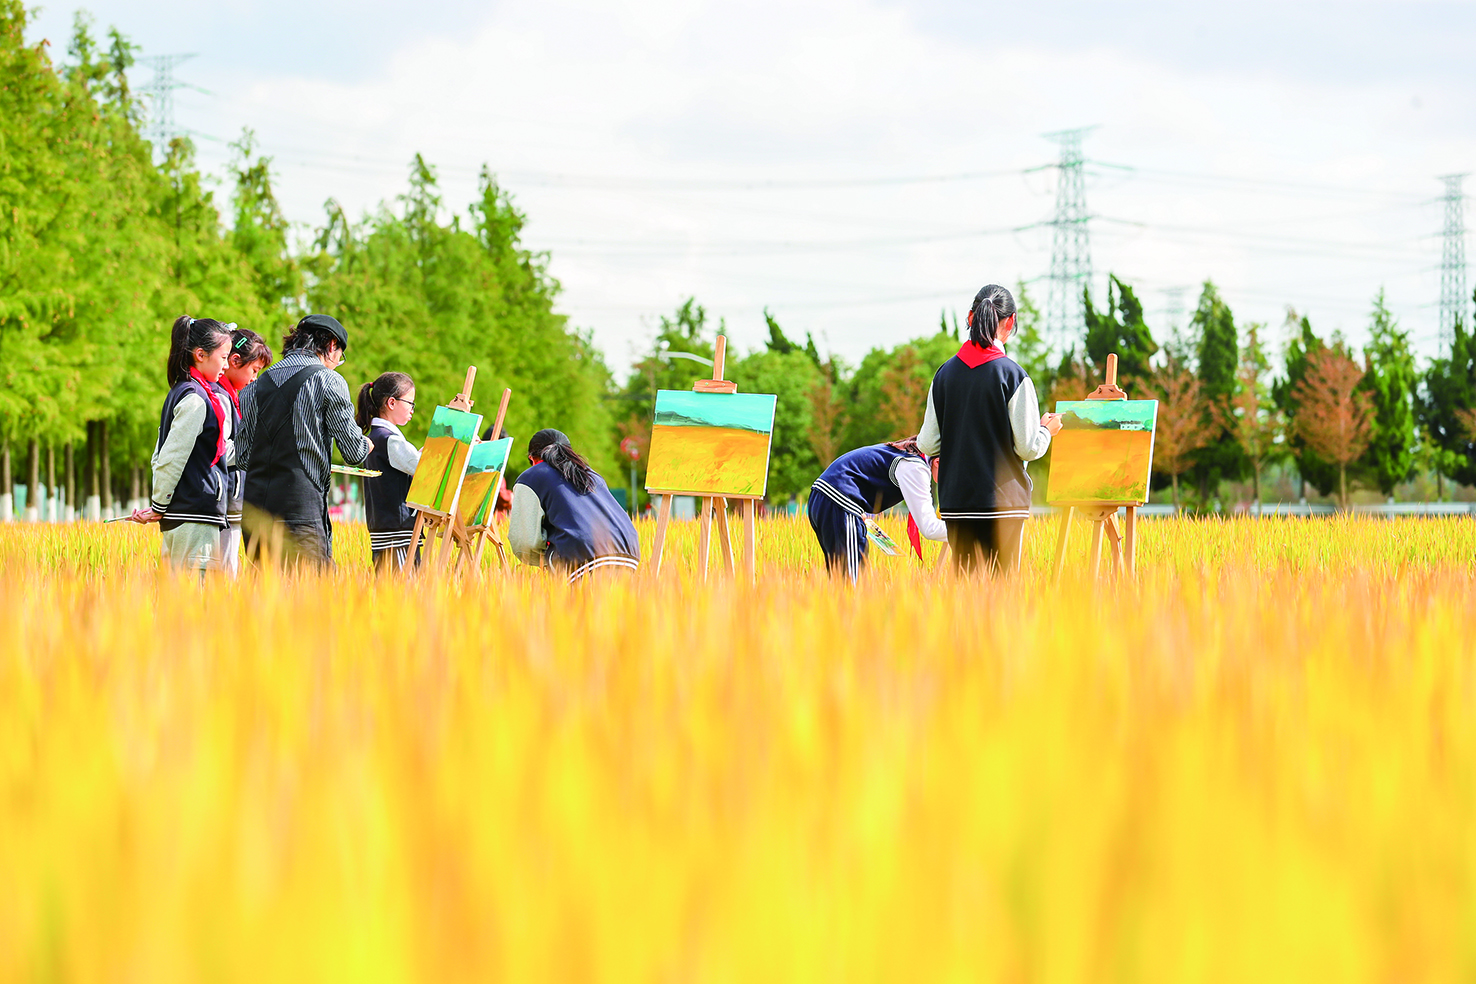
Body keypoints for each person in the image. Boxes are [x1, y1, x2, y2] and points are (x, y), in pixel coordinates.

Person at [918, 284, 1062, 574]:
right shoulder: (1013, 375)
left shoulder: (944, 375)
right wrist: (1046, 430)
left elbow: (927, 443)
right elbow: (1028, 448)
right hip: (1003, 506)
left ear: (970, 317)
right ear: (1010, 321)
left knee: (966, 599)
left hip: (956, 503)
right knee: (1000, 601)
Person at [237, 314, 372, 567]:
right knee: (311, 601)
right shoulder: (329, 380)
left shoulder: (252, 389)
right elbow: (354, 453)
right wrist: (367, 443)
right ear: (332, 345)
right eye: (339, 357)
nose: (336, 363)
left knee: (264, 602)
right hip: (301, 513)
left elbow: (244, 458)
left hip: (255, 513)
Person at [134, 316, 234, 571]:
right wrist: (159, 504)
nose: (226, 366)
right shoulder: (196, 399)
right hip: (193, 519)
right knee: (194, 604)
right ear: (200, 354)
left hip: (186, 515)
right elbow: (171, 458)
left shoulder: (186, 391)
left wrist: (160, 503)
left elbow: (162, 453)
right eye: (223, 357)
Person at [508, 429, 640, 582]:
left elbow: (524, 543)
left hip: (583, 557)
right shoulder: (592, 474)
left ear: (533, 459)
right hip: (629, 553)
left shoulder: (531, 476)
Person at [808, 436, 947, 580]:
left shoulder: (909, 455)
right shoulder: (914, 466)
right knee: (850, 585)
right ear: (938, 462)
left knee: (841, 578)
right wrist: (968, 529)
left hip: (827, 498)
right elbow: (930, 528)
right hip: (838, 502)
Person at [215, 327, 273, 575]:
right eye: (254, 371)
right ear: (234, 361)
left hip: (233, 502)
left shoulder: (234, 396)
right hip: (224, 501)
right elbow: (218, 449)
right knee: (226, 573)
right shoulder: (219, 397)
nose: (254, 379)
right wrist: (260, 451)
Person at [355, 371, 420, 571]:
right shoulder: (390, 440)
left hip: (385, 530)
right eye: (410, 403)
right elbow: (425, 468)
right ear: (392, 403)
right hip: (397, 533)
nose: (412, 409)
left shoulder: (376, 436)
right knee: (404, 596)